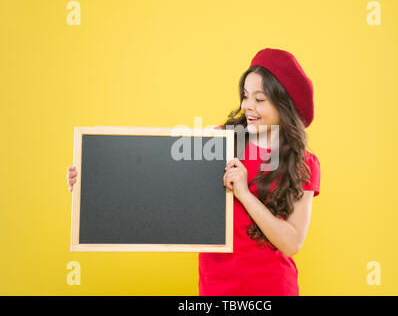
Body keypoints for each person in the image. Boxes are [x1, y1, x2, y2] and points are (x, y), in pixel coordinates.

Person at [66, 48, 321, 296]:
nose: (248, 107)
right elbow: (156, 177)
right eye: (245, 96)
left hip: (273, 288)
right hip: (216, 287)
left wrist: (244, 193)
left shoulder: (304, 164)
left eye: (259, 99)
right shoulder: (220, 141)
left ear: (283, 104)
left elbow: (291, 243)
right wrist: (93, 175)